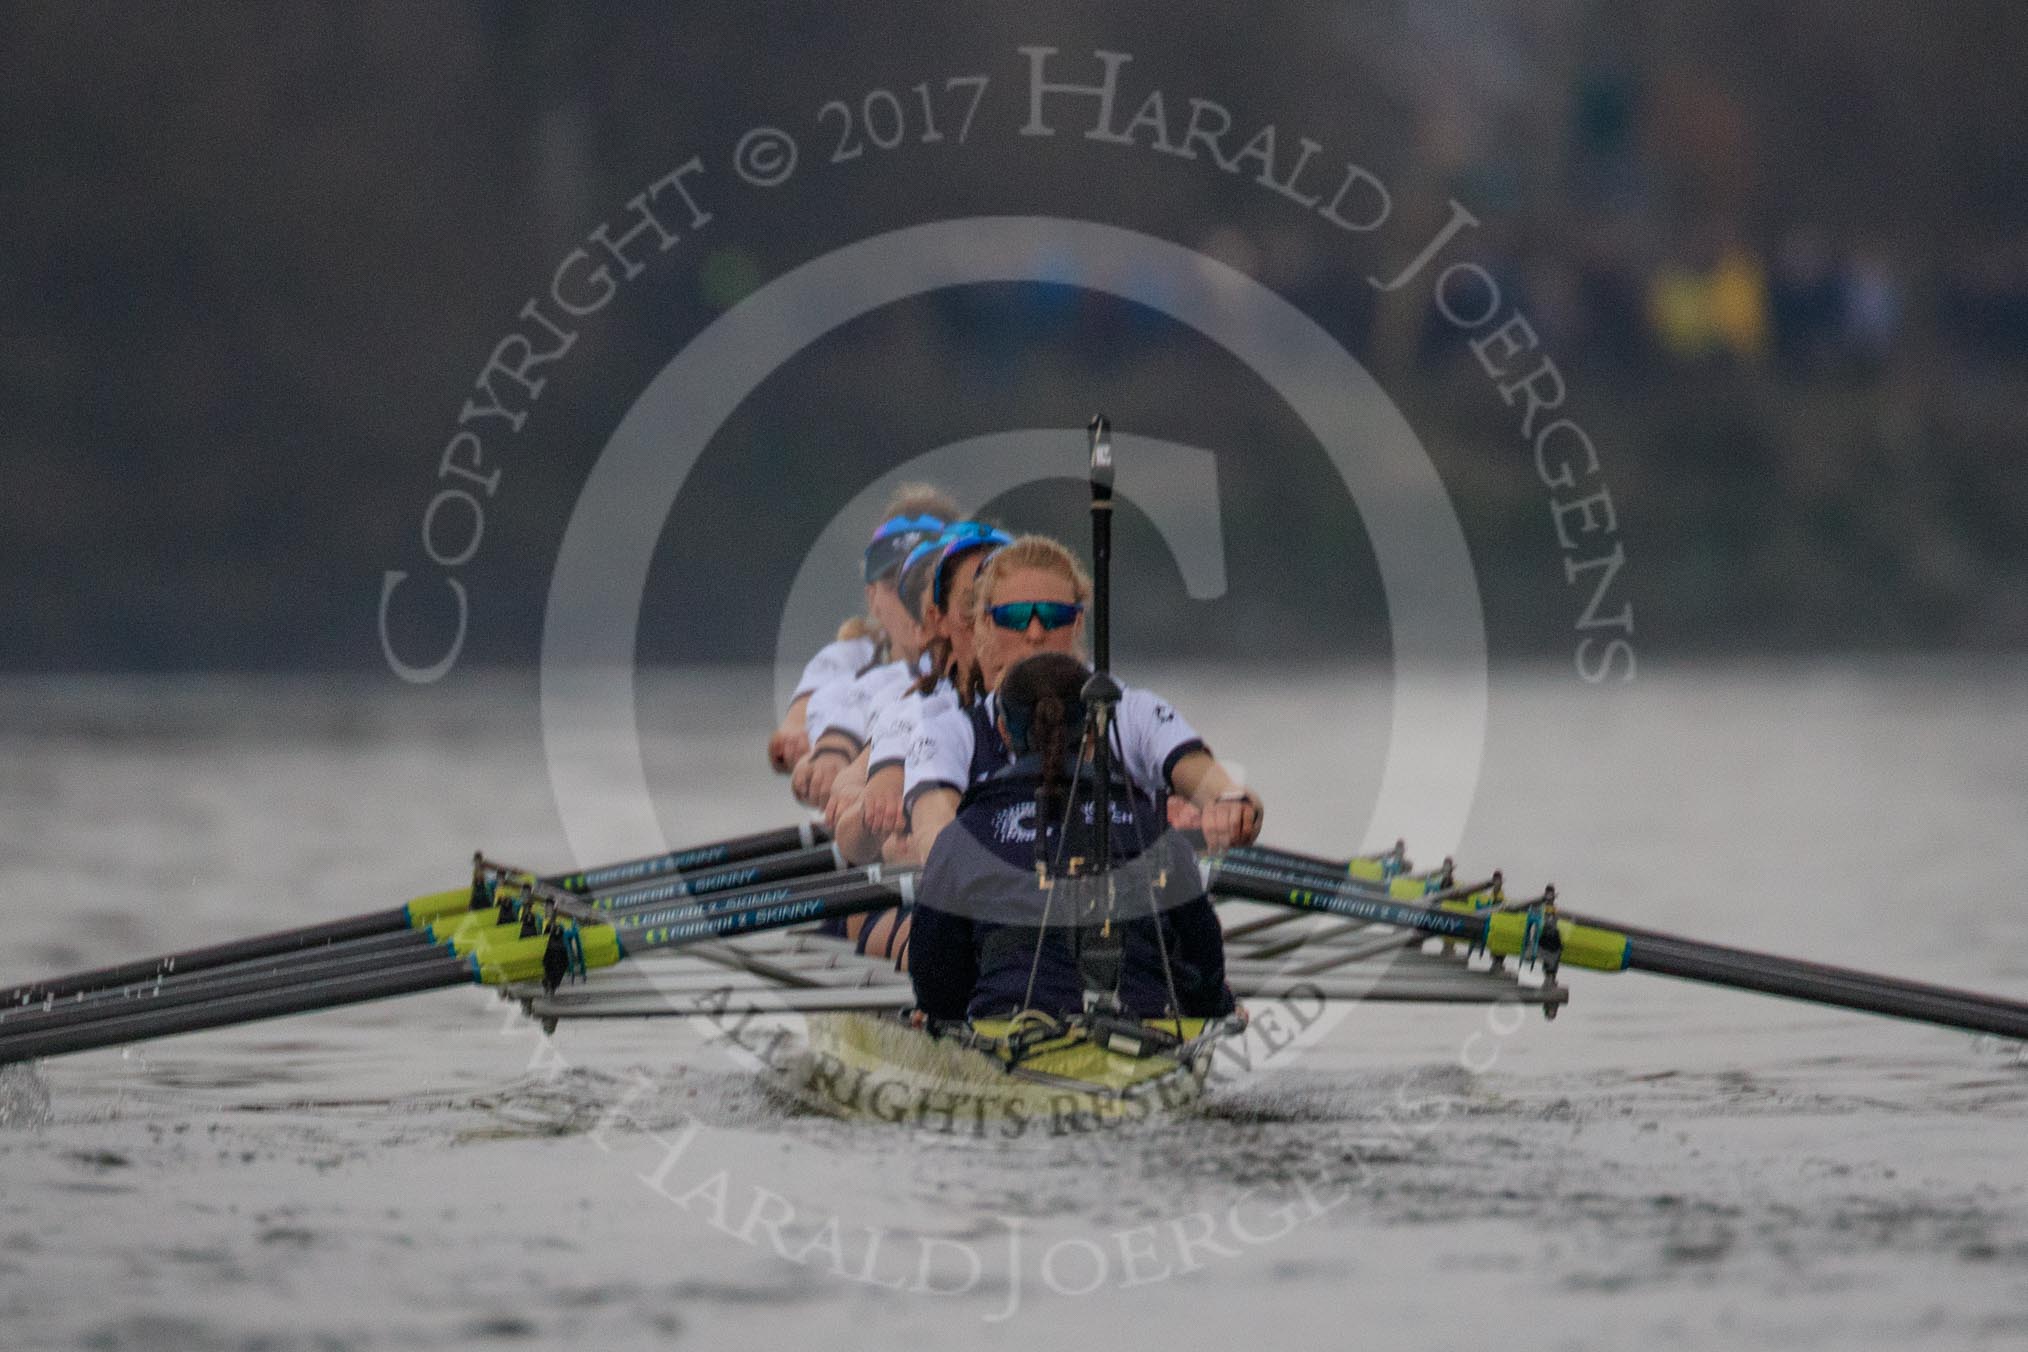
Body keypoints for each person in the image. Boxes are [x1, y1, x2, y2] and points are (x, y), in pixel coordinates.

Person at [906, 652, 1235, 1022]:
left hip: (1013, 1025)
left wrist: (943, 1016)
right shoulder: (1151, 827)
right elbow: (1202, 954)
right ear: (1095, 729)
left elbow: (934, 972)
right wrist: (1217, 1007)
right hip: (1144, 1028)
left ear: (1002, 731)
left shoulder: (966, 833)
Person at [901, 534, 1264, 862]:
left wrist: (1231, 807)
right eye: (1013, 616)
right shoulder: (948, 732)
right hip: (997, 919)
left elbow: (1217, 786)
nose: (1035, 633)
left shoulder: (1130, 713)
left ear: (1077, 625)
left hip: (1119, 914)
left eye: (1054, 615)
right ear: (982, 625)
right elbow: (936, 837)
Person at [833, 521, 1011, 863]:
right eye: (973, 606)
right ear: (938, 619)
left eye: (1007, 608)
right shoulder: (919, 711)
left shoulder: (1089, 696)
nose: (991, 622)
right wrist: (873, 808)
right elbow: (849, 801)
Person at [766, 485, 956, 774]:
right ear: (873, 598)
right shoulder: (849, 658)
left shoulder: (978, 662)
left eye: (923, 582)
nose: (912, 600)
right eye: (895, 586)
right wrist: (796, 736)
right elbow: (805, 707)